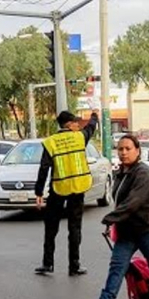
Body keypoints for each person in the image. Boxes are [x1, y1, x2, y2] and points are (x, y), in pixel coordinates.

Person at [85, 135, 149, 299]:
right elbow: (120, 202)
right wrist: (114, 222)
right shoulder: (122, 172)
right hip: (127, 230)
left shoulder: (143, 174)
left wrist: (111, 218)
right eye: (120, 149)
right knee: (117, 266)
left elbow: (133, 203)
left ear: (137, 151)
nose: (124, 152)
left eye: (128, 149)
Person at [34, 110, 98, 276]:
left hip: (58, 189)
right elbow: (91, 127)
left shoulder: (51, 142)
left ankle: (47, 264)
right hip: (77, 188)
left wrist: (39, 191)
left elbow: (44, 168)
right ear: (69, 124)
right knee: (74, 228)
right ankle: (74, 266)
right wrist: (94, 116)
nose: (78, 125)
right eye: (76, 122)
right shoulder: (79, 137)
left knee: (51, 227)